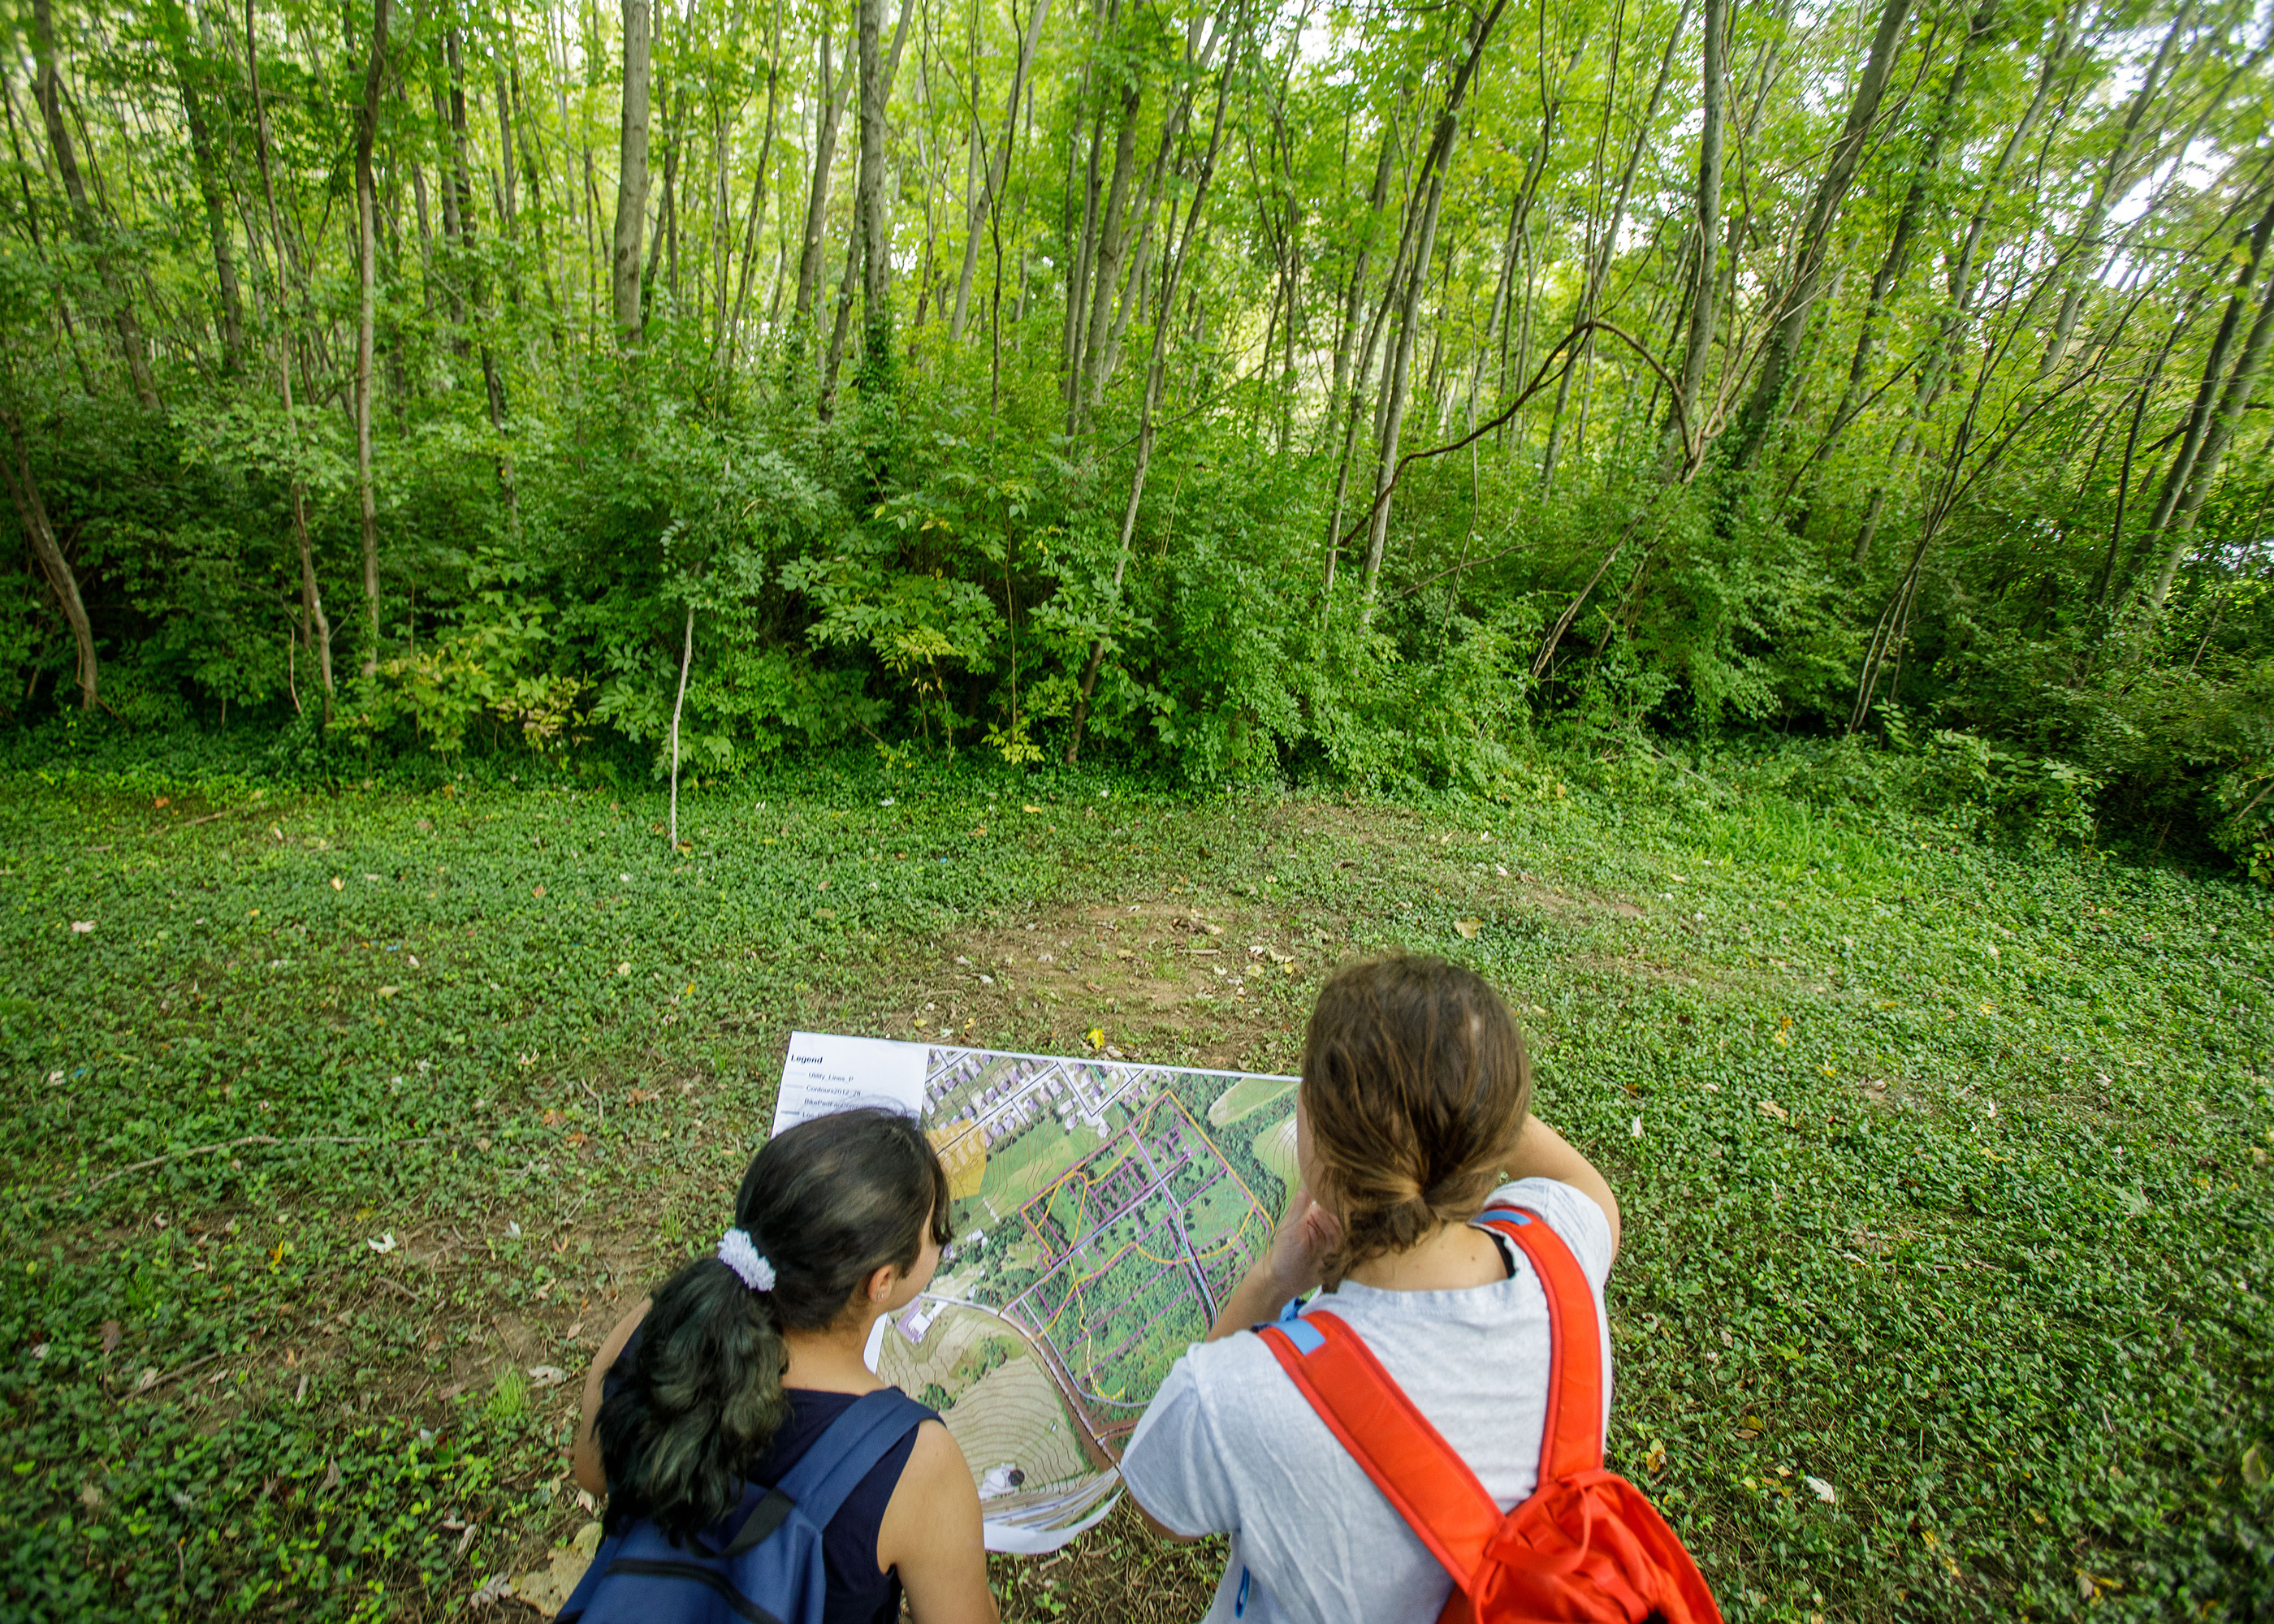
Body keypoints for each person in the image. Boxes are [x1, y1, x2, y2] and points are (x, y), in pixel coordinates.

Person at [1120, 953, 1624, 1624]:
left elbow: (1161, 1507)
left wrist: (1270, 1282)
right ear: (1495, 1132)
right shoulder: (1561, 1256)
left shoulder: (1241, 1394)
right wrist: (1462, 1091)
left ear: (1319, 1151)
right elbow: (1591, 1195)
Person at [570, 1107, 998, 1624]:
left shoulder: (657, 1326)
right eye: (936, 1232)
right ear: (882, 1281)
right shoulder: (915, 1460)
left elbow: (593, 1473)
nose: (940, 1242)